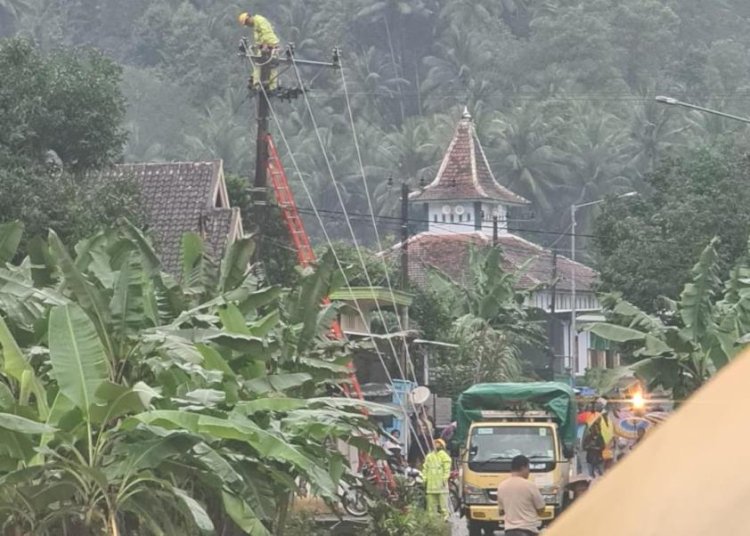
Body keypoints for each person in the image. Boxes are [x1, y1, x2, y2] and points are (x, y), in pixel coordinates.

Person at [496, 455, 546, 536]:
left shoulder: (501, 486)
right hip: (528, 530)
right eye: (528, 468)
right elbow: (541, 508)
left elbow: (501, 511)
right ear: (523, 467)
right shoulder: (530, 485)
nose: (529, 471)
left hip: (509, 531)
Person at [238, 12, 281, 89]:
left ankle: (271, 87)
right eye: (246, 24)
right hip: (265, 47)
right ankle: (256, 83)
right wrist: (255, 47)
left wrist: (265, 45)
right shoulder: (255, 25)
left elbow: (266, 33)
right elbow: (259, 39)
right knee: (258, 65)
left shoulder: (260, 20)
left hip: (270, 46)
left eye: (247, 22)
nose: (248, 25)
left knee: (272, 66)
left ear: (249, 17)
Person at [423, 438, 452, 519]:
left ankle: (445, 519)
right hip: (431, 486)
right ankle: (432, 521)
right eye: (435, 443)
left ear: (442, 446)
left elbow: (447, 470)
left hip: (441, 485)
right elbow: (425, 468)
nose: (436, 445)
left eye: (438, 444)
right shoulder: (429, 456)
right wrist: (424, 479)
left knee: (443, 505)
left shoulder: (445, 456)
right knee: (431, 506)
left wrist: (444, 479)